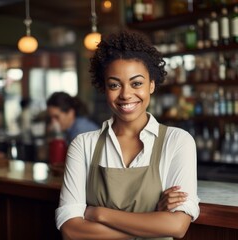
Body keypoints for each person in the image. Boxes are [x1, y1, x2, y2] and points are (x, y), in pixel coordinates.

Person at [55, 30, 200, 239]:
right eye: (114, 85)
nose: (125, 94)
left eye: (137, 83)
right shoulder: (83, 145)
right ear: (104, 89)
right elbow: (71, 230)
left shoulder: (177, 141)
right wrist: (152, 222)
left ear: (151, 85)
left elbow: (177, 226)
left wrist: (98, 213)